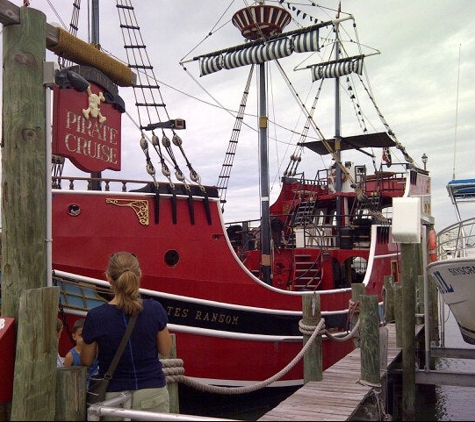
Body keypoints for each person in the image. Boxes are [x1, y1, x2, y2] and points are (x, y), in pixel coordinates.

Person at [81, 251, 172, 418]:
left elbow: (86, 360)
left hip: (113, 397)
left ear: (108, 278)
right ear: (139, 275)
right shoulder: (154, 309)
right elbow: (165, 349)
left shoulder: (95, 317)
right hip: (151, 391)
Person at [64, 318, 99, 386]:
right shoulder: (70, 356)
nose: (84, 338)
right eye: (81, 335)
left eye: (87, 335)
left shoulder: (97, 351)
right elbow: (65, 377)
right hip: (77, 389)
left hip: (94, 388)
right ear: (74, 336)